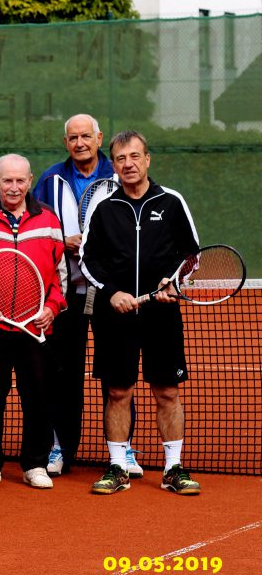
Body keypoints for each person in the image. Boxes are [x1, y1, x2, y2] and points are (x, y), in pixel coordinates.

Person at [81, 130, 201, 496]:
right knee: (118, 391)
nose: (128, 164)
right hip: (114, 315)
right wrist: (112, 292)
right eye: (120, 158)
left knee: (167, 391)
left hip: (161, 314)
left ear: (147, 159)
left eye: (135, 156)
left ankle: (173, 469)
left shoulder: (171, 201)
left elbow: (191, 255)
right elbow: (88, 259)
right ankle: (117, 467)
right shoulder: (104, 208)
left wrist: (174, 283)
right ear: (113, 165)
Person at [34, 114, 142, 478]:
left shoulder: (121, 174)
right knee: (63, 375)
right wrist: (60, 240)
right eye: (73, 137)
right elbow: (34, 226)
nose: (80, 143)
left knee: (118, 372)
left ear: (99, 138)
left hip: (111, 292)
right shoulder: (50, 179)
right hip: (66, 292)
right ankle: (60, 447)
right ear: (66, 142)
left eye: (86, 136)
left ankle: (124, 450)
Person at [0, 154, 67, 490]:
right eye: (7, 180)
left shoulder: (49, 221)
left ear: (30, 181)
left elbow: (60, 276)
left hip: (35, 328)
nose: (14, 187)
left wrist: (53, 307)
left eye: (20, 180)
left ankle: (35, 464)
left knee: (38, 398)